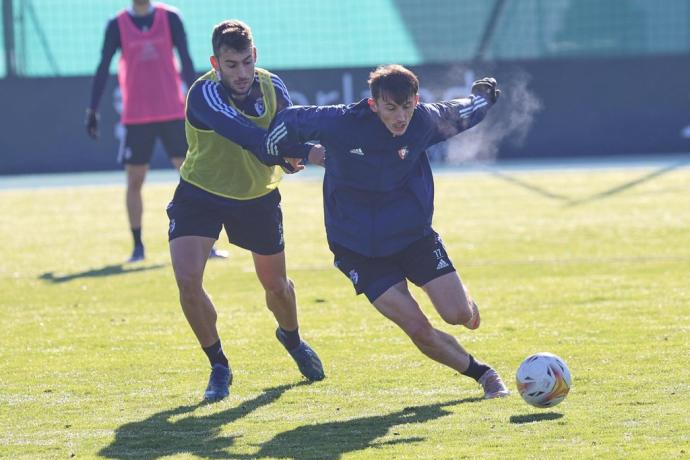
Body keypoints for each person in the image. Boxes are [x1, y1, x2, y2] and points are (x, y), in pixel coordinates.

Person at [263, 65, 510, 399]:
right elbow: (284, 123)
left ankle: (466, 305)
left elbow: (463, 111)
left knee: (458, 315)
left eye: (406, 107)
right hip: (358, 250)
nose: (400, 117)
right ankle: (484, 375)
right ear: (373, 104)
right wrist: (300, 153)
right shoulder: (341, 121)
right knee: (418, 329)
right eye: (391, 108)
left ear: (416, 101)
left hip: (414, 237)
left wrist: (483, 97)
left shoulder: (424, 120)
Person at [165, 20, 326, 402]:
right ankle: (219, 365)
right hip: (200, 194)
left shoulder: (273, 86)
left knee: (277, 288)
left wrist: (291, 159)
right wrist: (308, 153)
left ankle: (291, 338)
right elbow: (250, 137)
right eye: (230, 64)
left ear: (255, 57)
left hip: (256, 196)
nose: (240, 73)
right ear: (215, 62)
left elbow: (286, 135)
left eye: (245, 62)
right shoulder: (203, 93)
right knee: (188, 283)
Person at [85, 0, 227, 262]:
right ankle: (138, 246)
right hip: (136, 117)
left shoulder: (170, 18)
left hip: (173, 112)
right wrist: (93, 108)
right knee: (135, 181)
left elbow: (186, 60)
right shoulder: (117, 24)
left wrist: (201, 102)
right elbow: (103, 65)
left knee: (194, 178)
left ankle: (207, 243)